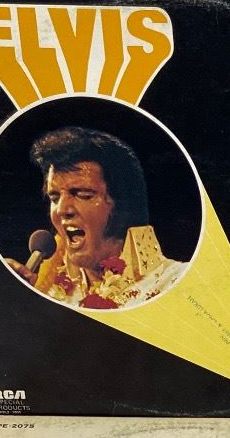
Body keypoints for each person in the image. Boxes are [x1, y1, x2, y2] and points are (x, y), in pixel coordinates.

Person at [10, 127, 186, 311]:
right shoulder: (46, 292)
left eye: (83, 195)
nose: (61, 210)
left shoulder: (178, 284)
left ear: (123, 205)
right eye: (54, 198)